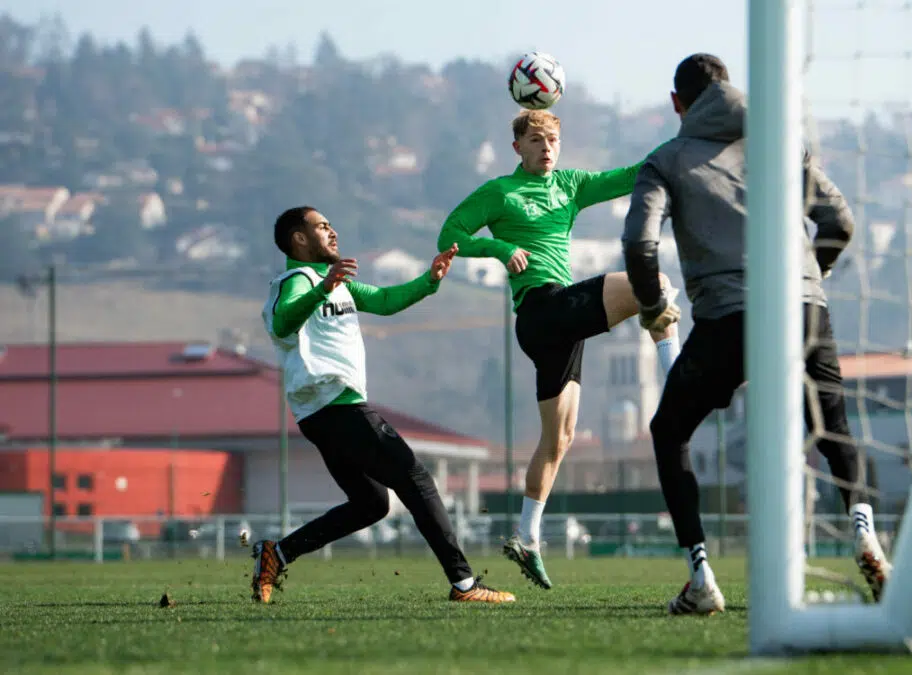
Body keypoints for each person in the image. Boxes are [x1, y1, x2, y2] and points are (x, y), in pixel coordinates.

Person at [621, 53, 892, 615]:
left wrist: (652, 307)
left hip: (729, 316)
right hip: (804, 308)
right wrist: (808, 276)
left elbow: (640, 245)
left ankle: (700, 577)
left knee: (670, 430)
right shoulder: (779, 142)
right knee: (834, 427)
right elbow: (839, 223)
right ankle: (866, 534)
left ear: (678, 103)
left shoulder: (666, 161)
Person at [436, 109, 682, 589]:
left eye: (552, 140)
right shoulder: (498, 193)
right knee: (654, 282)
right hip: (541, 310)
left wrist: (679, 144)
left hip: (562, 326)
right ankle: (677, 373)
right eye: (535, 139)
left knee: (559, 441)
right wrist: (500, 250)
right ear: (517, 148)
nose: (546, 147)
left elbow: (631, 176)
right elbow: (450, 237)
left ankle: (526, 536)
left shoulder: (570, 184)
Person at [251, 205, 515, 605]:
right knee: (416, 478)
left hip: (322, 412)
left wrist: (429, 280)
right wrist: (322, 289)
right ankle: (464, 584)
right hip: (335, 405)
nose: (333, 231)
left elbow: (386, 300)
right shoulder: (297, 280)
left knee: (372, 503)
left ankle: (279, 554)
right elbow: (285, 322)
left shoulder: (334, 282)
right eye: (322, 225)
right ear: (299, 239)